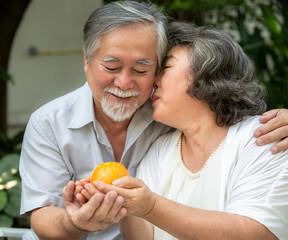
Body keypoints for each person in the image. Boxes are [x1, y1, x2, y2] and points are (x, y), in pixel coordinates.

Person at [19, 1, 288, 240]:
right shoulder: (48, 123)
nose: (124, 83)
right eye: (111, 67)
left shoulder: (258, 139)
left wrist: (144, 205)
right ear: (87, 62)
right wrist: (78, 220)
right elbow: (42, 216)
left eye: (143, 69)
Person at [86, 22, 288, 239]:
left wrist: (150, 206)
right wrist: (122, 201)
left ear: (206, 75)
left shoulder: (265, 137)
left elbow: (255, 234)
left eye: (167, 68)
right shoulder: (161, 149)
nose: (154, 80)